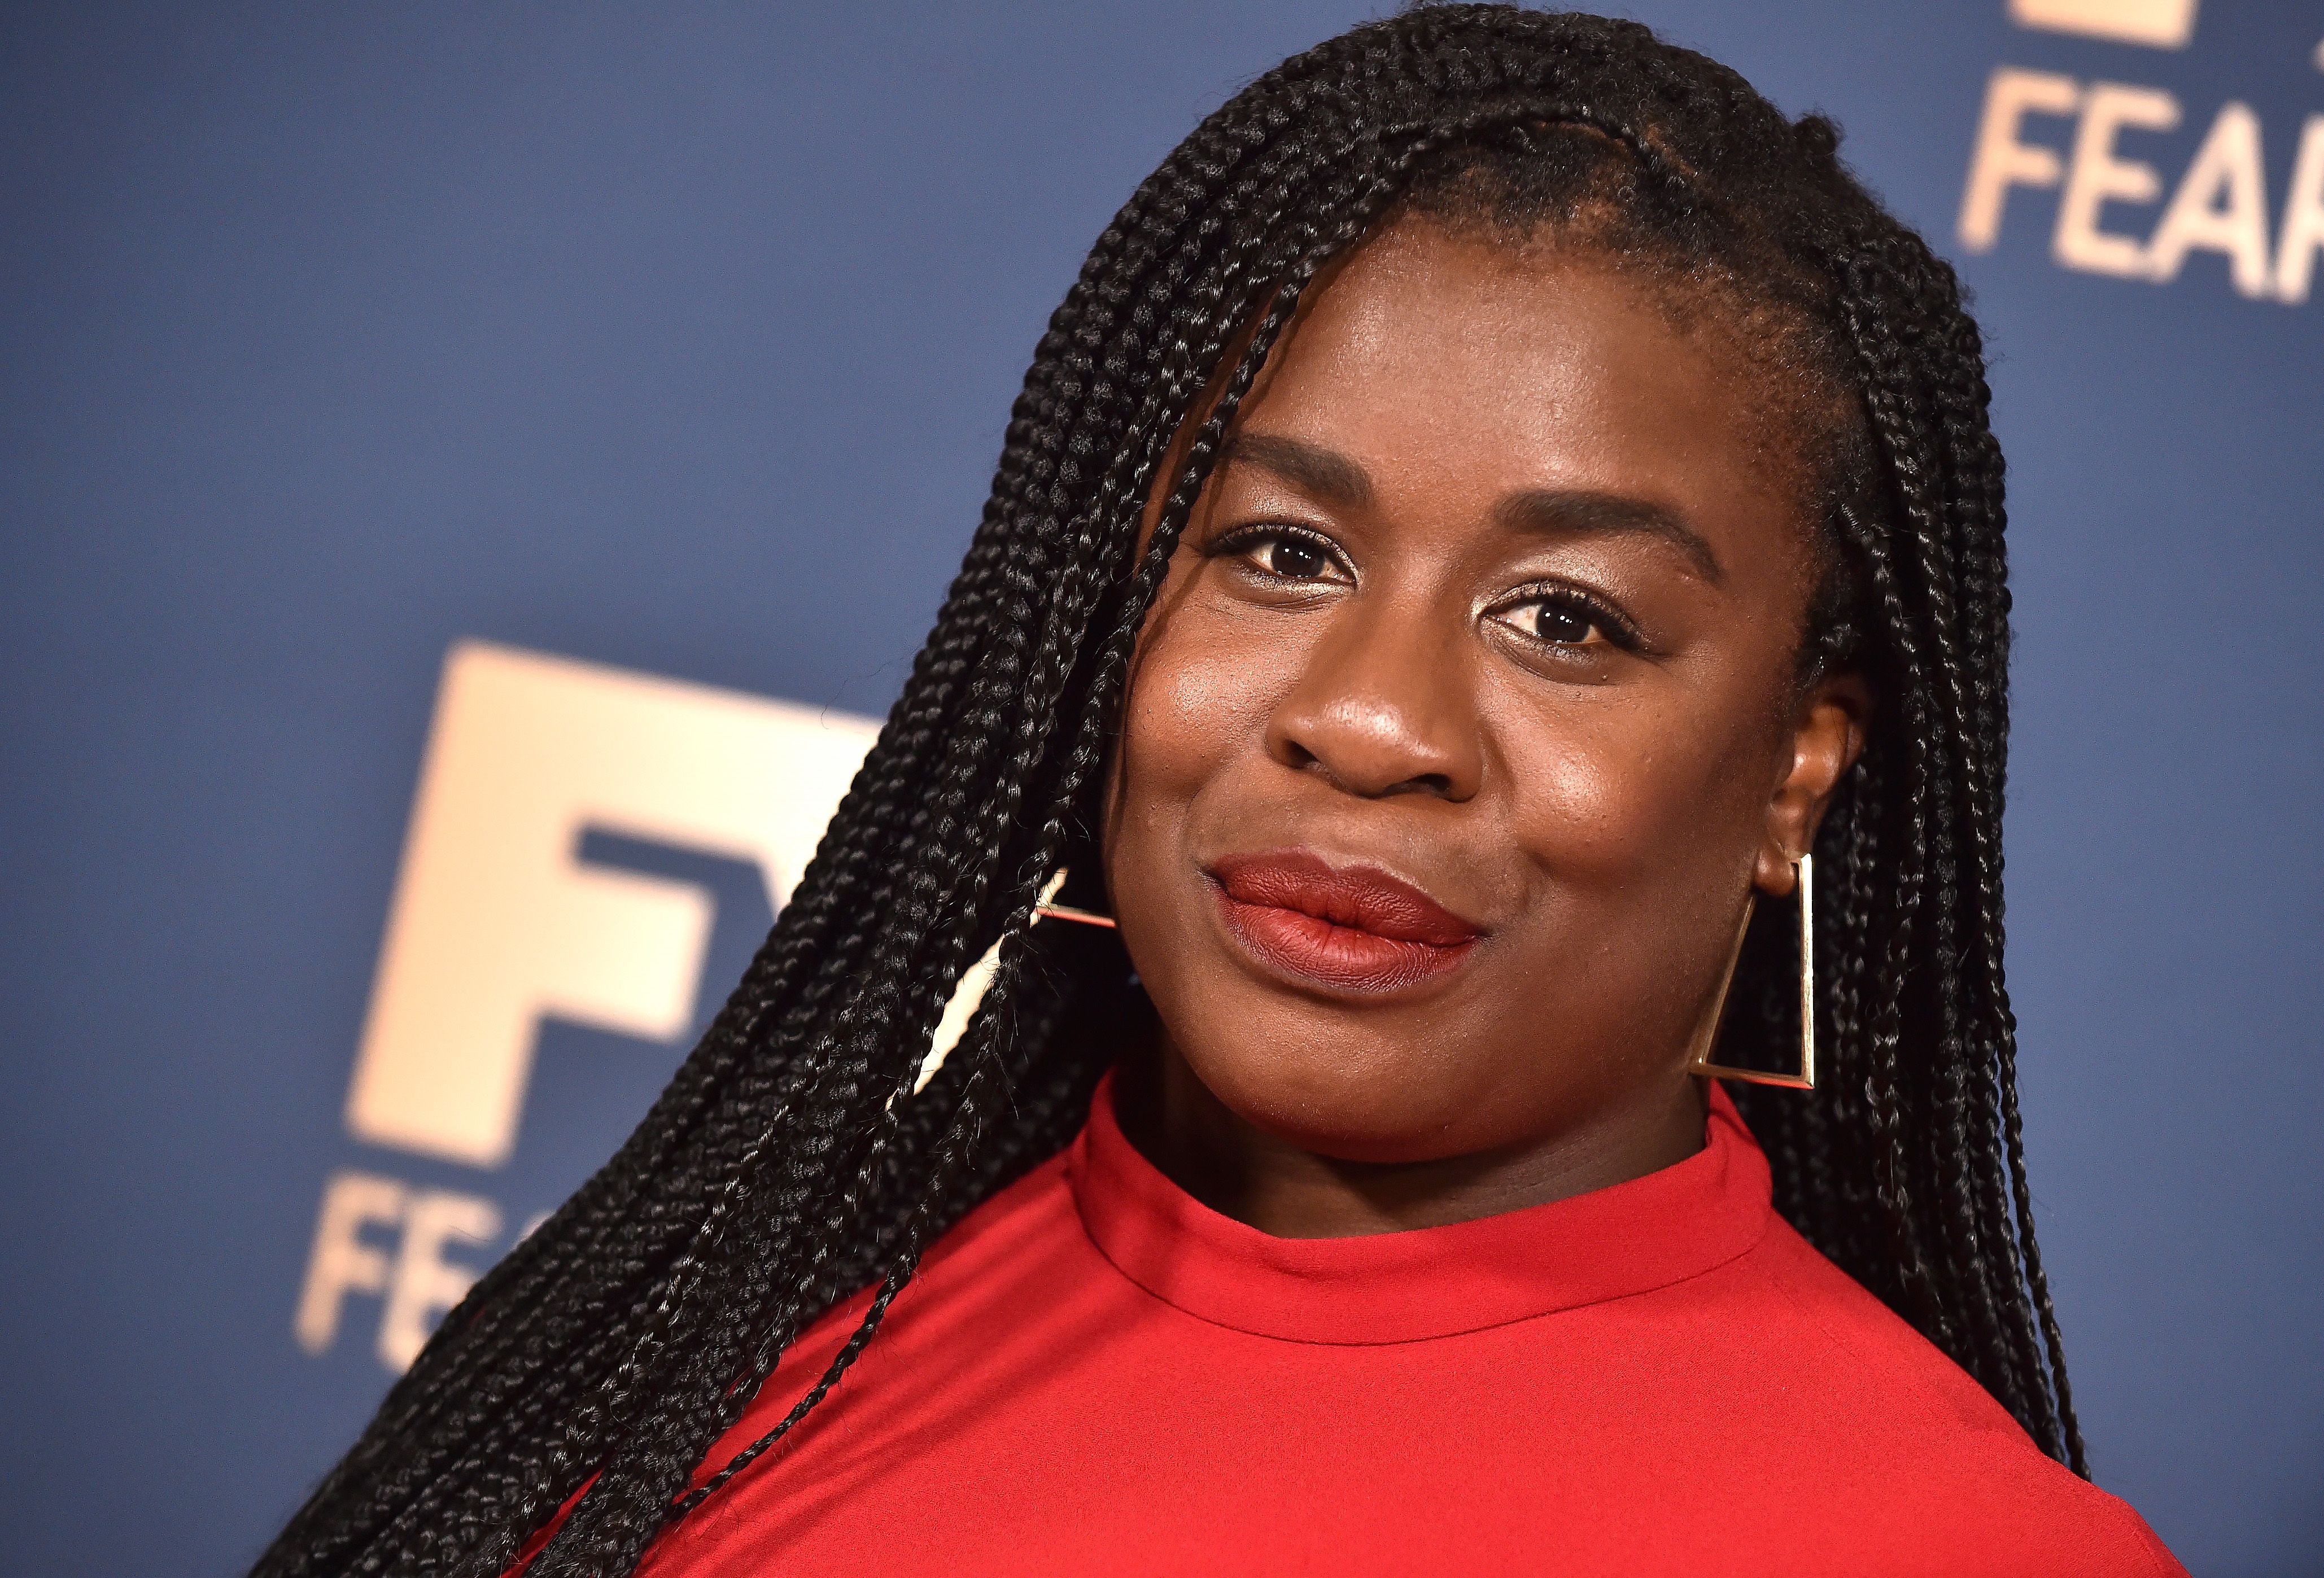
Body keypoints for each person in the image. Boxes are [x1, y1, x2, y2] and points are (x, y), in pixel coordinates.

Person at [256, 7, 2186, 1575]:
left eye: (1565, 618)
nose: (1368, 719)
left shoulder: (1956, 1546)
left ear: (1794, 766)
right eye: (1280, 552)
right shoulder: (703, 1352)